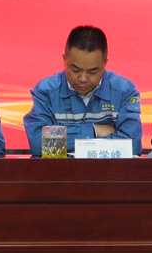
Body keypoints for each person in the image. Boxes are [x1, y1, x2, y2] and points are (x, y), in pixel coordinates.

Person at [24, 25, 142, 156]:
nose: (83, 79)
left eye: (92, 72)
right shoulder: (46, 91)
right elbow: (38, 142)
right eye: (76, 70)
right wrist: (94, 131)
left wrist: (66, 139)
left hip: (109, 170)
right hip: (59, 170)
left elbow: (132, 145)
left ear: (105, 63)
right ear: (64, 59)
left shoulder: (124, 91)